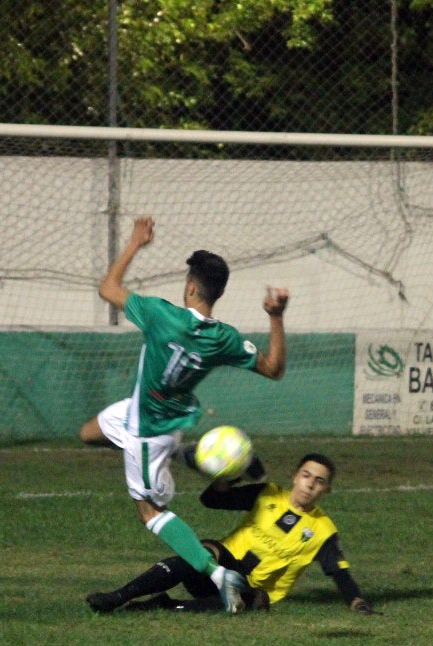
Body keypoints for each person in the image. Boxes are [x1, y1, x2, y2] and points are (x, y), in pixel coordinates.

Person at [79, 215, 290, 614]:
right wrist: (275, 316)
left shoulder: (162, 315)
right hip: (150, 417)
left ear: (191, 286)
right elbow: (274, 368)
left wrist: (135, 244)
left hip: (148, 428)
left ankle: (215, 574)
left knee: (149, 513)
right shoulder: (223, 338)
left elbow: (108, 288)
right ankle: (183, 455)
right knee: (89, 433)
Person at [86, 452, 379, 615]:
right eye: (305, 475)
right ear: (295, 476)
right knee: (198, 551)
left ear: (326, 489)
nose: (310, 484)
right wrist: (227, 476)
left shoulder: (323, 530)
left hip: (252, 589)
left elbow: (338, 572)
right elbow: (212, 500)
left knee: (239, 602)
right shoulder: (268, 494)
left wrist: (357, 601)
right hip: (220, 563)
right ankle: (116, 597)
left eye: (319, 481)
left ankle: (163, 604)